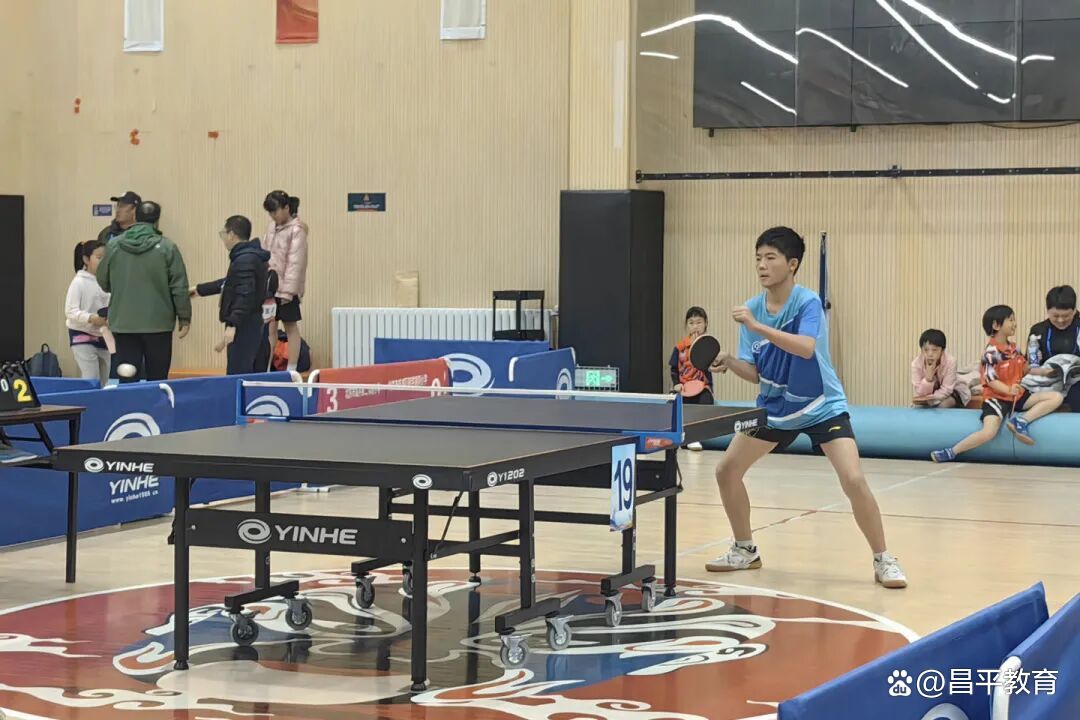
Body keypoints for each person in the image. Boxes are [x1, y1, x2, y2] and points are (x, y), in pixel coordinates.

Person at [706, 227, 907, 589]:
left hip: (821, 405)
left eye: (770, 258)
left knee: (853, 479)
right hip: (775, 409)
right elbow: (755, 373)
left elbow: (805, 347)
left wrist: (756, 326)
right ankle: (744, 549)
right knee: (726, 471)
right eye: (758, 258)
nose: (762, 265)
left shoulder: (806, 303)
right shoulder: (752, 310)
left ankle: (883, 559)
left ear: (792, 264)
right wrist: (730, 362)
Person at [931, 306, 1063, 461]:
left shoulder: (1014, 348)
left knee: (1056, 397)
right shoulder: (991, 352)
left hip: (1017, 396)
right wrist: (1008, 389)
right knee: (989, 432)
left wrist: (1044, 371)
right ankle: (951, 452)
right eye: (1011, 320)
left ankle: (1021, 421)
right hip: (996, 399)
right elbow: (990, 380)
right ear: (996, 325)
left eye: (1014, 320)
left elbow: (1024, 370)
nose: (1015, 324)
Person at [96, 201, 191, 382]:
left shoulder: (114, 245)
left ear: (135, 217)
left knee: (127, 376)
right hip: (159, 323)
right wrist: (184, 317)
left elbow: (102, 279)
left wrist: (119, 288)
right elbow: (179, 286)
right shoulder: (167, 247)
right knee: (158, 378)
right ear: (157, 221)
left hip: (123, 322)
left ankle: (130, 401)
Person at [191, 216, 276, 375]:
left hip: (244, 325)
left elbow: (244, 294)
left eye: (223, 234)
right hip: (252, 321)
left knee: (237, 374)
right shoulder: (250, 256)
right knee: (248, 372)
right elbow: (231, 283)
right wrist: (200, 290)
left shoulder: (244, 259)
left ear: (231, 234)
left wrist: (232, 324)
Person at [262, 190, 308, 372]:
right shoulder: (270, 227)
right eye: (270, 212)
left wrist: (288, 292)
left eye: (275, 211)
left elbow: (295, 263)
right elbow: (265, 254)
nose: (273, 216)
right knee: (270, 328)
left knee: (290, 327)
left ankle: (292, 370)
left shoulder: (297, 230)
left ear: (286, 208)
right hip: (270, 287)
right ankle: (266, 368)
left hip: (288, 289)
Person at [64, 241, 112, 386]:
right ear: (86, 259)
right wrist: (91, 318)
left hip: (104, 336)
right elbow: (70, 311)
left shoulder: (108, 282)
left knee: (105, 381)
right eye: (99, 257)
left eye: (105, 258)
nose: (103, 262)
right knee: (91, 379)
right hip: (82, 335)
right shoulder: (79, 282)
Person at [1027, 285, 1080, 411]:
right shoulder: (1038, 330)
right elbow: (1029, 366)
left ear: (1074, 310)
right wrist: (1033, 361)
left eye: (1066, 316)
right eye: (1055, 316)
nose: (1060, 320)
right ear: (1047, 311)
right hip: (1048, 381)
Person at [670, 306, 714, 450]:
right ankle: (677, 439)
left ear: (706, 324)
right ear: (686, 326)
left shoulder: (709, 345)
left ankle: (694, 438)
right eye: (691, 323)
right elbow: (673, 369)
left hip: (703, 387)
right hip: (684, 387)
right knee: (674, 403)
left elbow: (714, 365)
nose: (695, 326)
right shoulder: (680, 347)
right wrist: (676, 384)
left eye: (699, 322)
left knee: (705, 401)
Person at [911, 329, 970, 408]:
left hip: (952, 393)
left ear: (942, 351)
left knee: (941, 406)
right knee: (916, 408)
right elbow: (920, 392)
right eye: (926, 350)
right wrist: (928, 380)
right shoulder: (916, 364)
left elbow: (947, 389)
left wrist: (931, 400)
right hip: (928, 397)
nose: (930, 354)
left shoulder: (950, 362)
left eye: (934, 350)